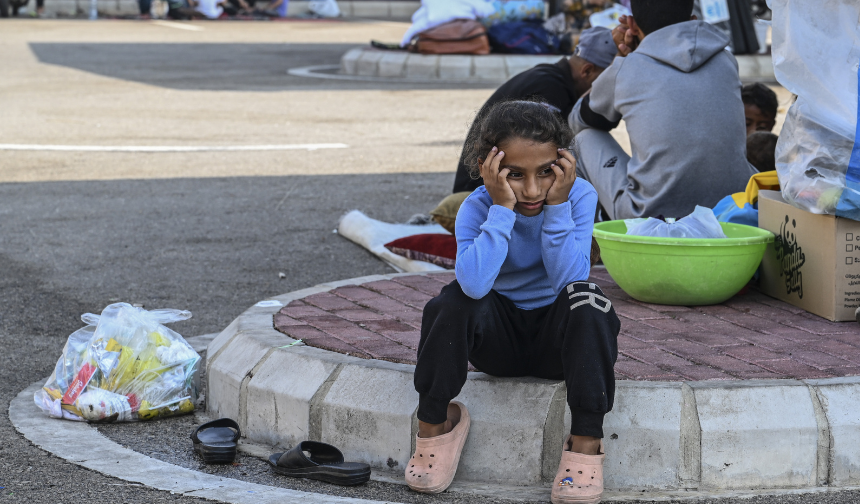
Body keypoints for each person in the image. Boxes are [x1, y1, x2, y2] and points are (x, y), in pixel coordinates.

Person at [408, 99, 620, 504]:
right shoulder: (477, 206)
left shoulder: (577, 197)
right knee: (449, 302)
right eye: (515, 175)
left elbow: (569, 281)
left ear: (563, 162)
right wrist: (501, 209)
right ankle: (434, 425)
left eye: (545, 172)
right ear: (490, 168)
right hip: (498, 345)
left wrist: (557, 208)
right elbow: (473, 286)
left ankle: (586, 442)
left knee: (590, 301)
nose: (533, 188)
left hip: (556, 345)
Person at [568, 0, 756, 220]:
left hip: (650, 215)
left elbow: (577, 121)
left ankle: (591, 240)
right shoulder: (726, 61)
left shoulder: (628, 67)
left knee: (582, 139)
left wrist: (619, 63)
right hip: (732, 206)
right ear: (692, 21)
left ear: (632, 25)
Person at [452, 27, 618, 194]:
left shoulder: (551, 79)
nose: (610, 90)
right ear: (587, 71)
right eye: (608, 82)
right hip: (480, 194)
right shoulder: (549, 88)